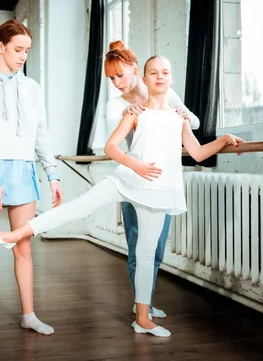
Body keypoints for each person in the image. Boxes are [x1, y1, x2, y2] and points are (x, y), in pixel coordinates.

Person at [0, 55, 244, 337]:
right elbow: (111, 147)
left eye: (165, 72)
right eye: (153, 72)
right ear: (144, 79)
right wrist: (137, 166)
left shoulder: (178, 118)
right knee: (77, 207)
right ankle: (15, 235)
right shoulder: (134, 112)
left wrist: (222, 140)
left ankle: (142, 319)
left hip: (158, 190)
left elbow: (197, 153)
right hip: (126, 179)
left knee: (146, 254)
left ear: (171, 79)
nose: (159, 76)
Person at [0, 19, 63, 349]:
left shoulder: (32, 88)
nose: (23, 56)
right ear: (1, 47)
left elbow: (41, 135)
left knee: (23, 248)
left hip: (24, 173)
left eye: (27, 51)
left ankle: (29, 314)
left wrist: (53, 175)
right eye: (18, 49)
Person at [104, 40, 200, 319]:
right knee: (137, 245)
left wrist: (182, 114)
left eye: (120, 75)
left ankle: (144, 301)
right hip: (135, 179)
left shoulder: (163, 91)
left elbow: (192, 122)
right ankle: (140, 307)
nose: (117, 82)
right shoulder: (115, 105)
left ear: (136, 70)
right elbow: (116, 140)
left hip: (162, 180)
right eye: (111, 78)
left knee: (157, 248)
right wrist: (128, 115)